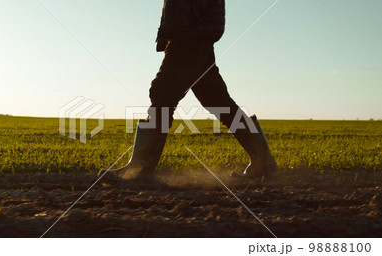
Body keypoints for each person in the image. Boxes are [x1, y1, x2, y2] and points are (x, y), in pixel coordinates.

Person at [100, 0, 277, 180]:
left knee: (162, 94)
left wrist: (182, 34)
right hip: (194, 38)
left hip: (188, 39)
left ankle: (139, 169)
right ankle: (263, 162)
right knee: (217, 100)